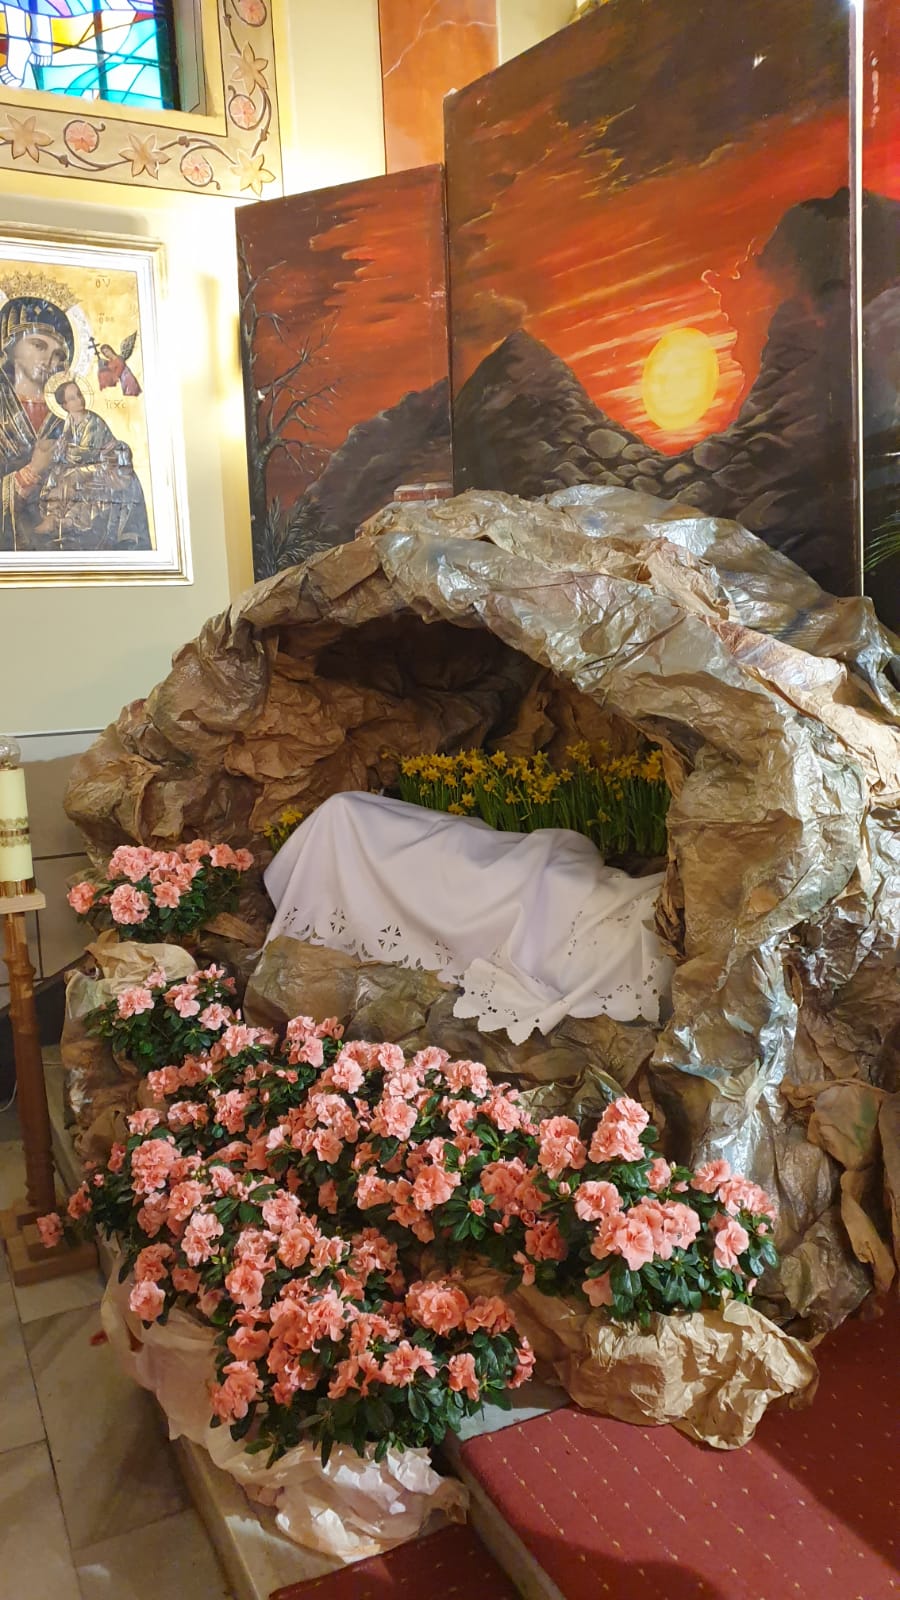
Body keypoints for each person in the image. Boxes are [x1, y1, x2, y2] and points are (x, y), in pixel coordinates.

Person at [0, 294, 150, 551]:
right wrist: (30, 473)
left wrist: (118, 465)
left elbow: (120, 478)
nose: (50, 360)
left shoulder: (70, 418)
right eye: (38, 345)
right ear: (9, 345)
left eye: (58, 354)